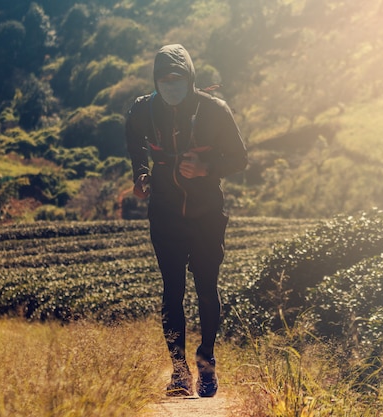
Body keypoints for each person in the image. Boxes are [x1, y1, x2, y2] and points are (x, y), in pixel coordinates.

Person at [125, 44, 248, 397]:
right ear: (156, 81)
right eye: (165, 80)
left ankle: (206, 366)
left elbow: (240, 159)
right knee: (172, 291)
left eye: (178, 79)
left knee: (207, 289)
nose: (171, 86)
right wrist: (141, 173)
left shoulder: (214, 111)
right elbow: (134, 142)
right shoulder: (143, 110)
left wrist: (207, 168)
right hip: (164, 212)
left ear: (191, 79)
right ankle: (179, 372)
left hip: (207, 211)